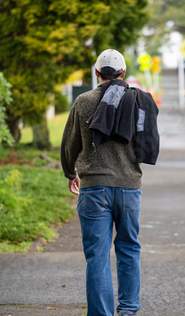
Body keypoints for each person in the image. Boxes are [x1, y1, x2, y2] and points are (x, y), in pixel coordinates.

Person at [60, 49, 159, 316]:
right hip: (129, 188)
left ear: (96, 73)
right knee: (128, 250)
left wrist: (71, 173)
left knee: (98, 258)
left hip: (94, 189)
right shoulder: (137, 100)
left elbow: (70, 144)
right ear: (123, 73)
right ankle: (127, 311)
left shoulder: (83, 101)